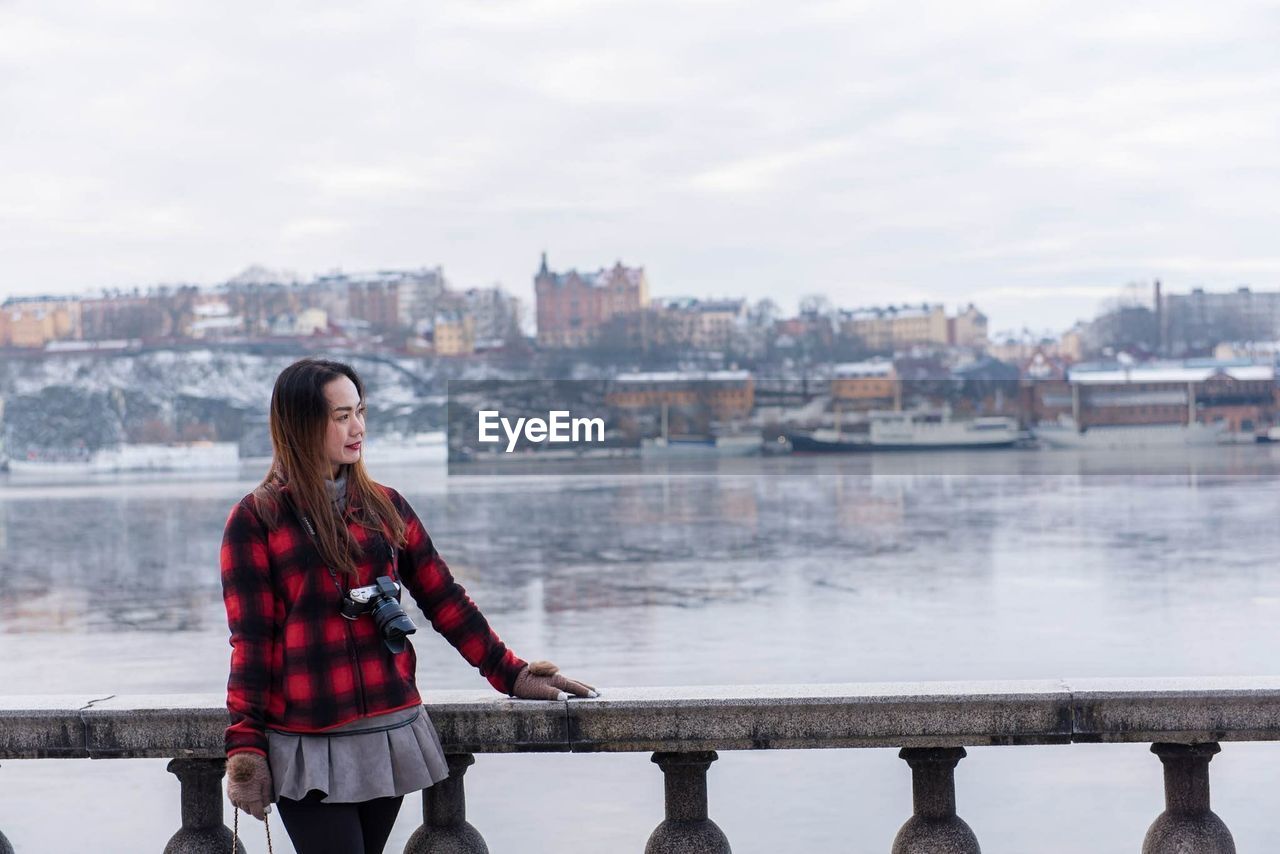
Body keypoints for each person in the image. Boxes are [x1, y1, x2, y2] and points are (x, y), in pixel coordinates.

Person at [221, 357, 598, 854]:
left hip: (388, 729)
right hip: (308, 739)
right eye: (340, 416)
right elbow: (251, 642)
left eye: (360, 411)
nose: (358, 428)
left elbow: (444, 599)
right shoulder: (258, 519)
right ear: (301, 424)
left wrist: (512, 673)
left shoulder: (385, 506)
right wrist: (245, 746)